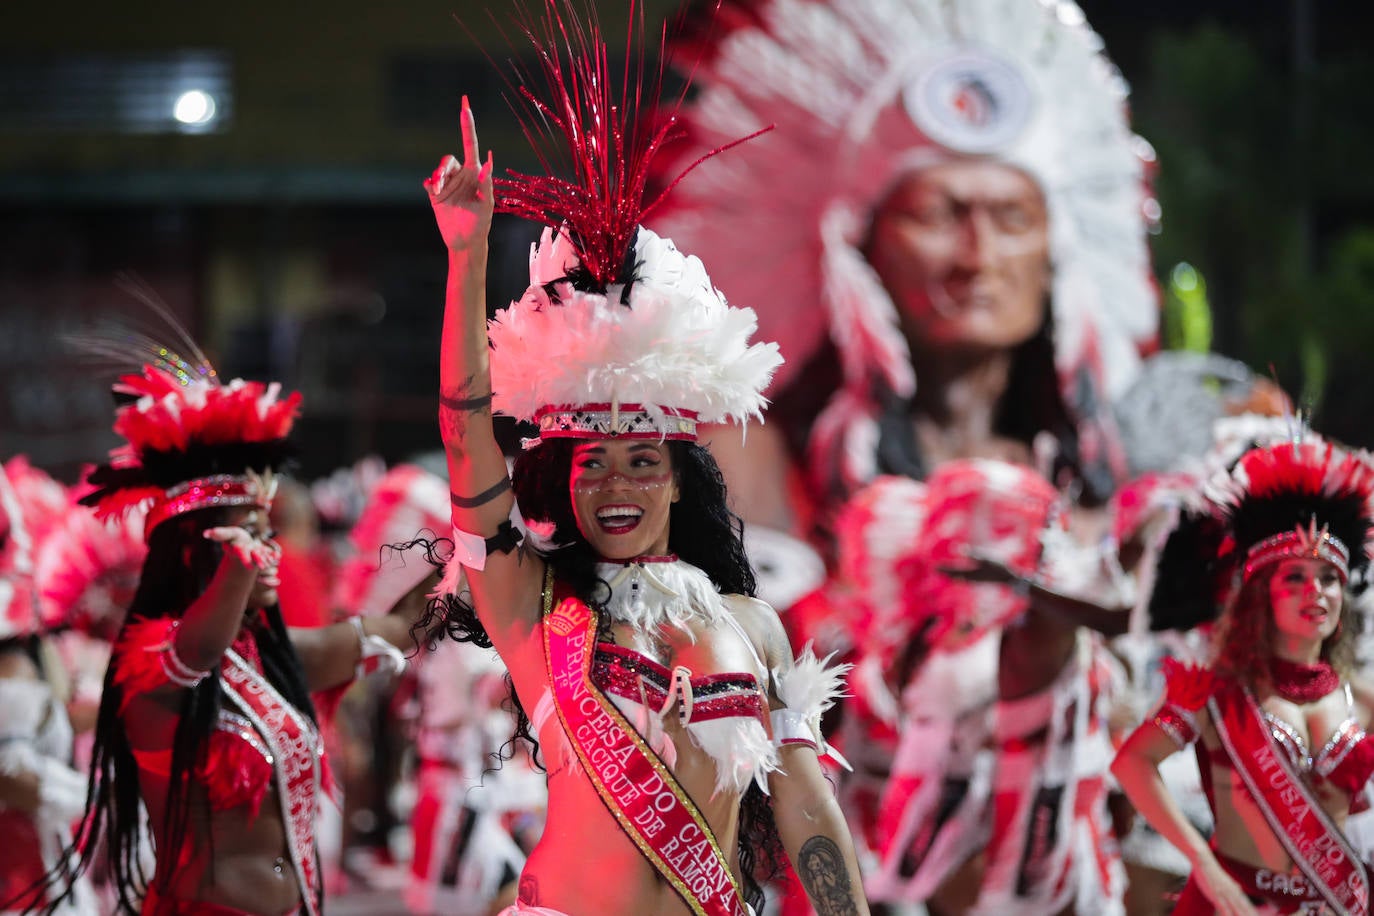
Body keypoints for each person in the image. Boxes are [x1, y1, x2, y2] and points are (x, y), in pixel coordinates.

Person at [420, 9, 868, 912]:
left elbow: (807, 807)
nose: (614, 485)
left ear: (677, 477)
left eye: (640, 461)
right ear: (563, 479)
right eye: (592, 464)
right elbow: (470, 437)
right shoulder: (537, 607)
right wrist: (467, 263)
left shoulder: (754, 626)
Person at [36, 324, 421, 916]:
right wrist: (240, 569)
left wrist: (472, 552)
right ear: (197, 548)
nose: (269, 552)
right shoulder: (149, 665)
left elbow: (397, 631)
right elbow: (197, 651)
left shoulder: (273, 658)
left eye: (268, 533)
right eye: (249, 534)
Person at [1112, 436, 1374, 915]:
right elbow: (1133, 764)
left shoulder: (1363, 701)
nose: (1314, 591)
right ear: (1261, 595)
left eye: (1329, 578)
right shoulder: (1214, 692)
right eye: (1294, 576)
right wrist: (1204, 866)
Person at [0, 457, 97, 916]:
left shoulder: (28, 654)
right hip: (20, 877)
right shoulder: (11, 669)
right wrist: (92, 797)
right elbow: (14, 780)